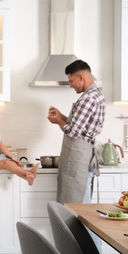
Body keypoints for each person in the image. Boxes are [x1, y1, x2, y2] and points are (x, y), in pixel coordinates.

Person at [47, 60, 106, 205]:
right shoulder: (96, 95)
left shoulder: (88, 98)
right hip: (81, 154)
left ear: (81, 77)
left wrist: (57, 122)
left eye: (71, 81)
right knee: (78, 204)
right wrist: (61, 116)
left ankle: (76, 229)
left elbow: (73, 132)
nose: (70, 85)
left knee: (77, 206)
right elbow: (80, 126)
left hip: (80, 156)